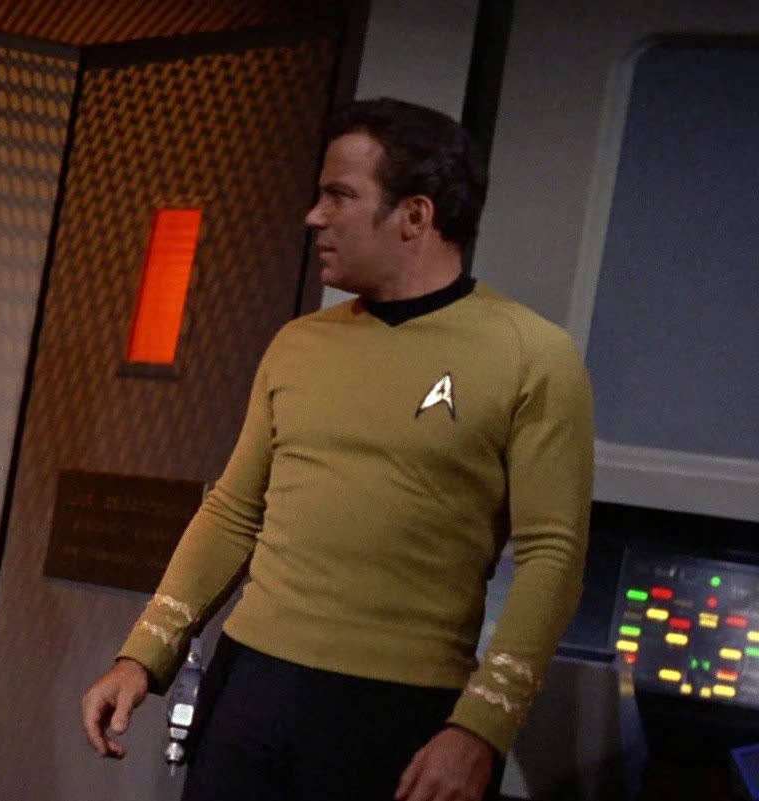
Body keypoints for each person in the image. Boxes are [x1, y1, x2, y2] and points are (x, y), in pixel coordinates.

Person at [81, 98, 594, 801]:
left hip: (401, 711)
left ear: (414, 214)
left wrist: (482, 728)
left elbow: (553, 559)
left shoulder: (533, 355)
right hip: (251, 684)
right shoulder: (299, 344)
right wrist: (141, 656)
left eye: (339, 196)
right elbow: (233, 511)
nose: (314, 216)